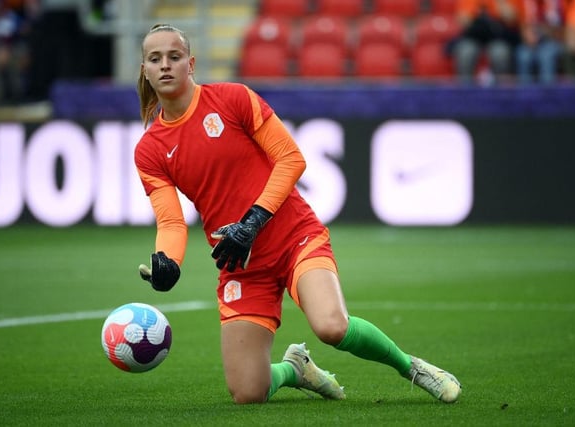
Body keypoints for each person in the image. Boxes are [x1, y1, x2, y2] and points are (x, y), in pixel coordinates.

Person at [134, 24, 462, 405]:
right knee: (247, 392)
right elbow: (172, 222)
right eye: (155, 59)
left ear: (190, 63)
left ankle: (413, 368)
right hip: (241, 262)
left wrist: (254, 220)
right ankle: (295, 369)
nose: (165, 66)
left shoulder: (232, 98)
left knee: (331, 327)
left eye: (174, 57)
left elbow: (291, 158)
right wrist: (167, 261)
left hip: (293, 237)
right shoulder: (150, 149)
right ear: (144, 70)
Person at [450, 0, 524, 83]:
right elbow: (462, 20)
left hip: (496, 37)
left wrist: (500, 3)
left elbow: (511, 18)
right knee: (465, 52)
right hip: (474, 36)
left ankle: (502, 92)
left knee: (500, 53)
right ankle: (465, 91)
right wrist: (477, 15)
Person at [515, 0, 565, 84]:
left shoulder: (556, 3)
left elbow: (561, 30)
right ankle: (525, 94)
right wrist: (528, 36)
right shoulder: (526, 2)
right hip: (531, 44)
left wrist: (544, 31)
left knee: (545, 55)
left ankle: (547, 93)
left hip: (553, 42)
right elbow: (523, 25)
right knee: (523, 55)